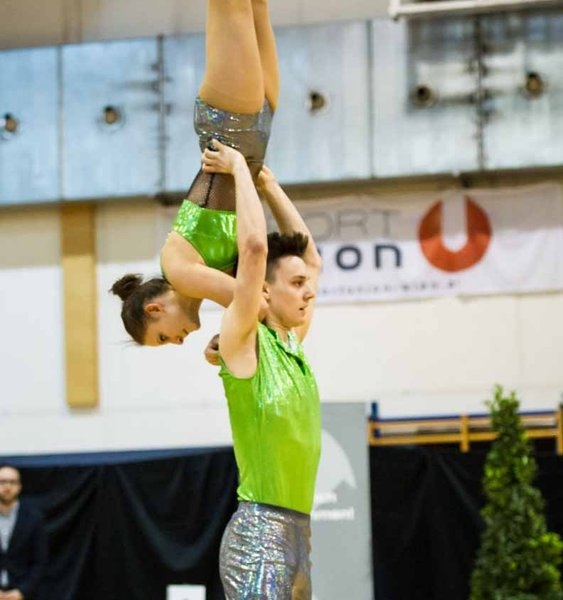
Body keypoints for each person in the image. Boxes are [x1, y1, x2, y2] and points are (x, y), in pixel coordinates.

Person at [111, 0, 279, 347]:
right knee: (256, 4)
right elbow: (259, 298)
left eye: (162, 337)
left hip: (229, 124)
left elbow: (255, 305)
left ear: (155, 308)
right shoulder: (203, 277)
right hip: (255, 133)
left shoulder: (181, 274)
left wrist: (227, 344)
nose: (177, 342)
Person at [202, 142, 322, 599]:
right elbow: (254, 249)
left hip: (299, 533)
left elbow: (312, 260)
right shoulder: (244, 344)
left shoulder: (291, 345)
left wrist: (268, 183)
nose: (309, 291)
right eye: (297, 284)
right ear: (265, 293)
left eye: (307, 285)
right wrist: (237, 168)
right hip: (259, 537)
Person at [0, 465, 47, 600]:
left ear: (19, 486)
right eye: (2, 482)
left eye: (12, 482)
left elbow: (40, 562)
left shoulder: (34, 518)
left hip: (23, 594)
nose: (7, 486)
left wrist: (22, 591)